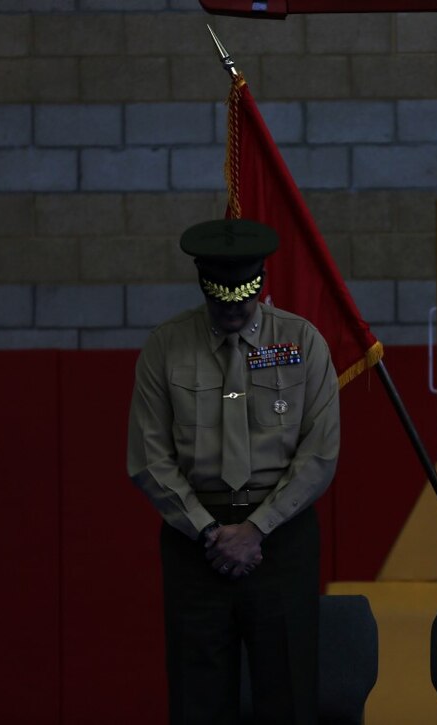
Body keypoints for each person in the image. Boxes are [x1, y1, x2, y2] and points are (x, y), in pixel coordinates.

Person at [127, 218, 340, 724]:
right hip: (195, 540)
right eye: (222, 301)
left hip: (281, 538)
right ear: (204, 287)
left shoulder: (302, 342)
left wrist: (258, 529)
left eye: (244, 299)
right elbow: (149, 457)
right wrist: (209, 532)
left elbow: (320, 453)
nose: (235, 311)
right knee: (197, 694)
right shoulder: (167, 347)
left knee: (287, 689)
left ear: (262, 283)